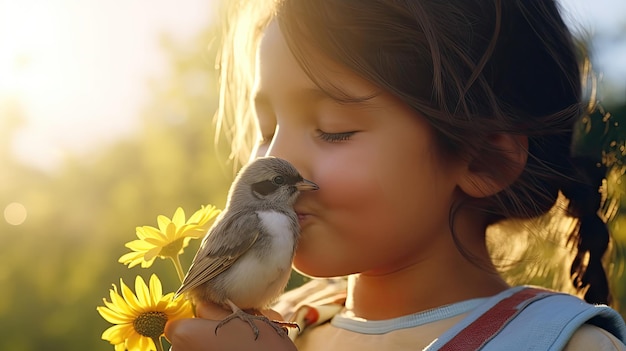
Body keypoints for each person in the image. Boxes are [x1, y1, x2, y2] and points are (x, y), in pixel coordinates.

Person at [165, 0, 626, 349]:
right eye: (267, 132)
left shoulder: (559, 343)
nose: (276, 159)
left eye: (333, 130)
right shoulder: (279, 323)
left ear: (484, 161)